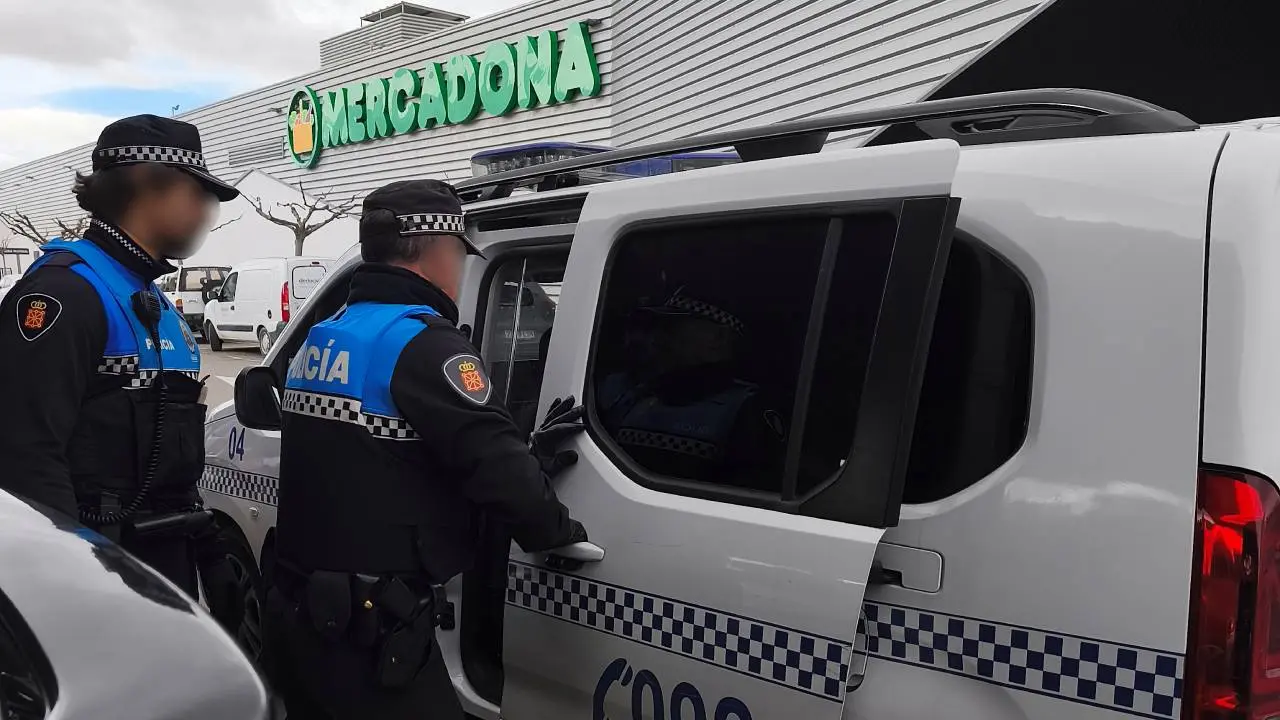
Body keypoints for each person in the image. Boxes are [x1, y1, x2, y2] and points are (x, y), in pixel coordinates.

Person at [266, 179, 587, 719]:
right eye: (459, 253)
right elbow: (496, 468)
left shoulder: (325, 334)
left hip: (303, 614)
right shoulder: (423, 343)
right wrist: (557, 531)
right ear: (438, 250)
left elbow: (381, 456)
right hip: (372, 631)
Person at [0, 115, 239, 596]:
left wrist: (210, 549)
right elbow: (26, 457)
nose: (206, 213)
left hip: (160, 561)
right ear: (147, 186)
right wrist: (71, 586)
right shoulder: (63, 293)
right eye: (197, 195)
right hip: (97, 579)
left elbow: (169, 454)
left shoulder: (148, 295)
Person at [597, 289, 786, 491]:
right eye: (658, 329)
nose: (657, 338)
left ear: (719, 338)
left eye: (672, 328)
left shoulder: (748, 410)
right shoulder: (638, 394)